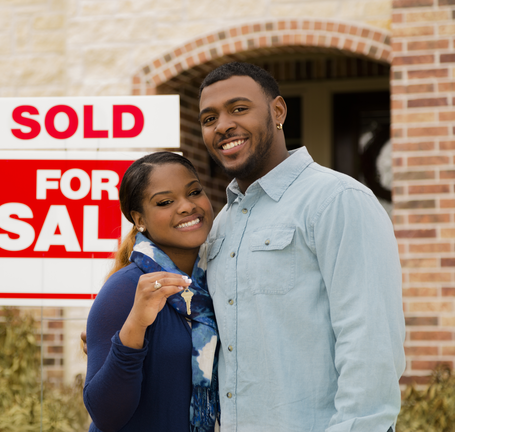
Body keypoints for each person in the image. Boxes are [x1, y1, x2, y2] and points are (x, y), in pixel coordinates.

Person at [198, 62, 405, 432]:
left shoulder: (336, 200)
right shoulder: (222, 225)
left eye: (239, 109)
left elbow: (370, 340)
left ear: (277, 111)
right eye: (209, 118)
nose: (223, 125)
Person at [82, 152, 221, 432]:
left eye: (194, 192)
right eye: (165, 202)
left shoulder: (220, 280)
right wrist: (136, 324)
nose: (186, 206)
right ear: (139, 219)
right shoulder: (127, 288)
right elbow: (105, 414)